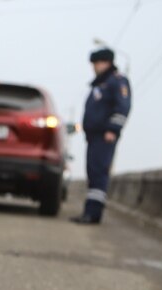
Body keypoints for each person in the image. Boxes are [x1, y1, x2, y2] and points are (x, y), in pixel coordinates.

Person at [71, 48, 132, 225]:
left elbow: (123, 106)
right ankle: (89, 212)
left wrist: (113, 129)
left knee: (99, 172)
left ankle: (93, 214)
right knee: (93, 172)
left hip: (105, 136)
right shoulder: (101, 84)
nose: (94, 68)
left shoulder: (117, 81)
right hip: (94, 136)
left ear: (106, 62)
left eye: (96, 64)